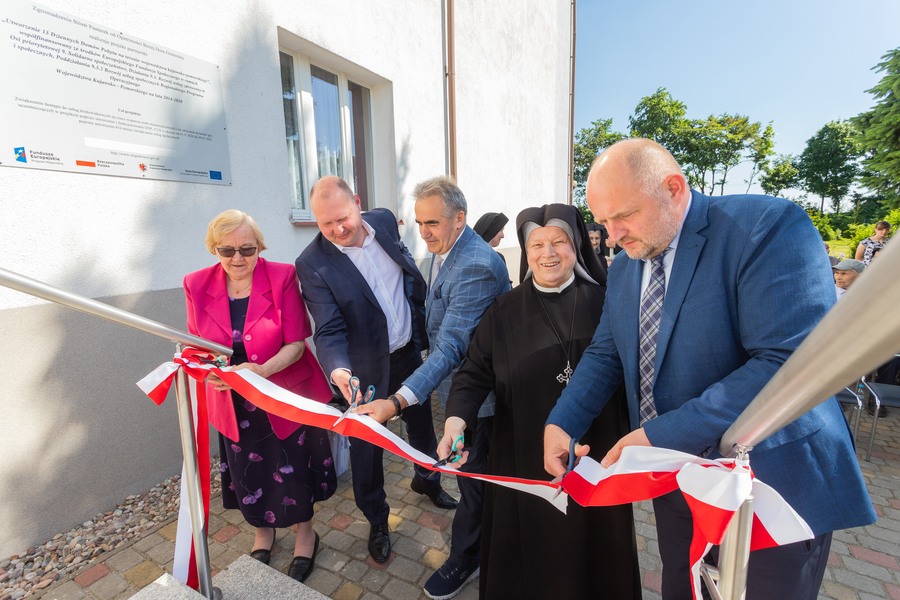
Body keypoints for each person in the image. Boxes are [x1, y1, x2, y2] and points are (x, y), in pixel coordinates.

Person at [543, 139, 875, 600]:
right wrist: (563, 421)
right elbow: (607, 353)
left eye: (624, 216)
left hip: (770, 483)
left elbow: (788, 363)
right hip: (676, 481)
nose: (613, 236)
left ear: (673, 188)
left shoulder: (764, 226)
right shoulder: (624, 268)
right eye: (602, 222)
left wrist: (658, 435)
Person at [437, 204, 640, 599]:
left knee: (595, 549)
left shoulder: (607, 303)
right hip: (521, 454)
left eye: (559, 242)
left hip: (594, 453)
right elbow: (473, 374)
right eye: (537, 244)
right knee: (528, 553)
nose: (548, 253)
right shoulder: (503, 311)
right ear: (526, 252)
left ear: (577, 246)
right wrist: (456, 421)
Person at [356, 176, 510, 599]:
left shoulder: (475, 264)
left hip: (483, 399)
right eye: (419, 222)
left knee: (474, 480)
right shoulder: (446, 250)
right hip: (460, 391)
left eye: (433, 223)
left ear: (459, 218)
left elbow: (451, 345)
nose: (423, 232)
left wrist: (397, 400)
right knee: (472, 477)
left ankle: (467, 558)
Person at [295, 176, 457, 565]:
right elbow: (328, 329)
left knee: (422, 426)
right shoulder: (312, 263)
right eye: (326, 223)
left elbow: (406, 277)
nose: (337, 229)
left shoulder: (383, 220)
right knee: (367, 451)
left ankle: (427, 480)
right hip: (361, 372)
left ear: (357, 201)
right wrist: (338, 371)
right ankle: (377, 519)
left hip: (406, 353)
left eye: (343, 218)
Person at [184, 210, 335, 583]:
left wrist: (262, 372)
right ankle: (262, 533)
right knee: (249, 472)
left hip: (281, 393)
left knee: (295, 469)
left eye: (247, 249)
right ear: (214, 249)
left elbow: (296, 343)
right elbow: (195, 345)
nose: (238, 258)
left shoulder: (282, 276)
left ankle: (305, 534)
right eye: (228, 250)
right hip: (233, 402)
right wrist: (208, 371)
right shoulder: (195, 284)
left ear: (259, 247)